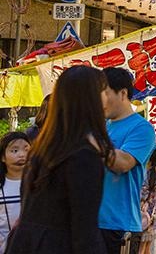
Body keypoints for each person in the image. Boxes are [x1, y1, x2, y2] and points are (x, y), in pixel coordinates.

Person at [7, 66, 114, 254]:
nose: (107, 98)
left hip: (25, 244)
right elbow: (85, 230)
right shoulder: (83, 155)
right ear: (89, 99)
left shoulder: (42, 148)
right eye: (103, 91)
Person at [99, 67, 156, 254]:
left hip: (117, 223)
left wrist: (89, 138)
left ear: (123, 93)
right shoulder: (102, 127)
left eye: (104, 94)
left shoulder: (142, 128)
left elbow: (123, 163)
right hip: (90, 220)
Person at [0, 132, 30, 249]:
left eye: (26, 150)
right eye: (15, 151)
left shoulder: (38, 184)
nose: (22, 155)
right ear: (3, 157)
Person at [139, 146, 156, 254]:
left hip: (144, 216)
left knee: (140, 249)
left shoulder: (144, 172)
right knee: (148, 249)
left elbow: (142, 195)